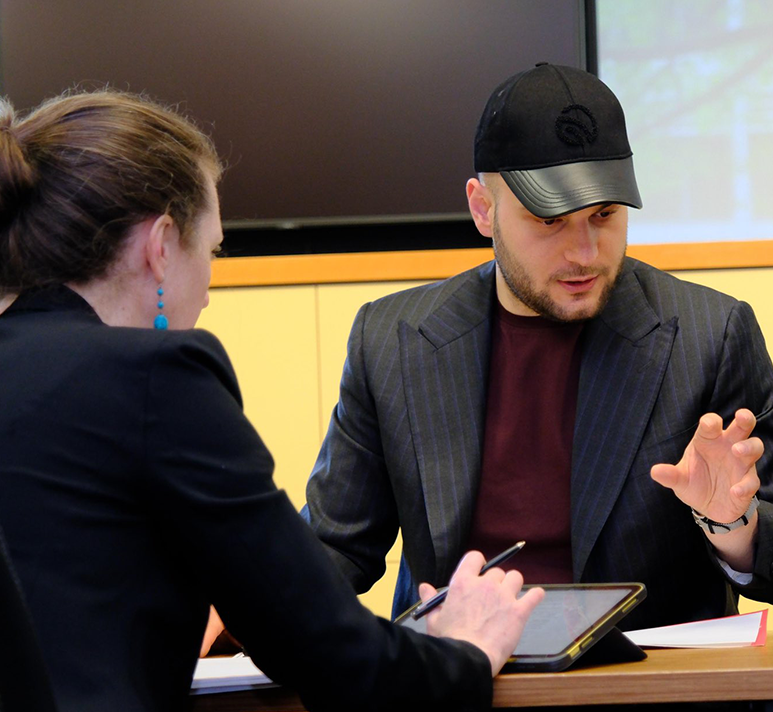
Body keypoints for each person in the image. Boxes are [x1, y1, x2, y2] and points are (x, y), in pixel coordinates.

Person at [0, 90, 542, 712]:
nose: (208, 291)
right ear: (161, 245)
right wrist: (467, 650)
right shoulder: (156, 377)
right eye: (212, 251)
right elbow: (323, 648)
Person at [301, 63, 773, 630]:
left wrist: (732, 524)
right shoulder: (391, 341)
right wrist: (241, 609)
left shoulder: (710, 334)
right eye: (549, 220)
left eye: (604, 215)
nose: (585, 253)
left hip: (642, 671)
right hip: (459, 663)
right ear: (483, 208)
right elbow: (335, 546)